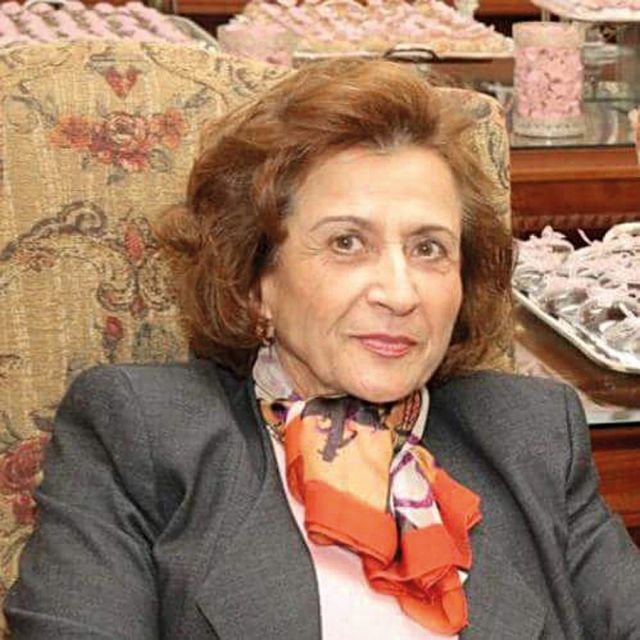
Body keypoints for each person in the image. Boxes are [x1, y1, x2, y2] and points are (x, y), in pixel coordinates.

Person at [4, 59, 640, 640]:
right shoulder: (142, 434)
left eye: (428, 249)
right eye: (346, 243)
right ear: (256, 281)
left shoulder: (530, 435)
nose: (400, 293)